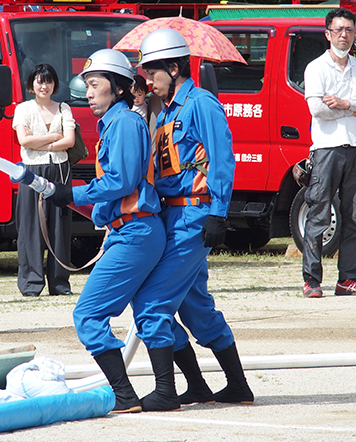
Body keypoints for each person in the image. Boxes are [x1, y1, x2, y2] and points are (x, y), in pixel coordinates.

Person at [47, 49, 172, 413]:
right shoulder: (116, 124)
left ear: (117, 89)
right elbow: (116, 192)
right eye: (86, 85)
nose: (87, 92)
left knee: (87, 315)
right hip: (131, 231)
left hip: (136, 233)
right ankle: (168, 391)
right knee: (151, 312)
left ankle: (124, 395)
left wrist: (73, 191)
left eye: (94, 84)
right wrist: (67, 198)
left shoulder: (125, 124)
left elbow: (122, 180)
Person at [135, 28, 254, 407]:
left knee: (152, 301)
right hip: (172, 216)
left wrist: (218, 214)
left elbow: (222, 159)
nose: (147, 79)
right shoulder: (165, 110)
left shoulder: (202, 103)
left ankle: (167, 390)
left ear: (174, 67)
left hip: (195, 215)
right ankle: (227, 387)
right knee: (196, 308)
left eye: (152, 71)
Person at [302, 8, 356, 298]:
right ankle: (312, 281)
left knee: (353, 216)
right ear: (327, 34)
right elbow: (317, 110)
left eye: (349, 29)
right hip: (326, 150)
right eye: (338, 29)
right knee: (319, 214)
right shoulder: (316, 68)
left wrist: (344, 103)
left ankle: (348, 279)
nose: (344, 34)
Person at [13, 64, 74, 296]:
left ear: (54, 85)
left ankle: (59, 283)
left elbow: (68, 141)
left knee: (59, 226)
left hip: (59, 169)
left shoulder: (64, 108)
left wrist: (41, 141)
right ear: (31, 85)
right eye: (39, 81)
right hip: (31, 171)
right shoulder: (23, 109)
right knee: (30, 226)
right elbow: (23, 141)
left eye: (48, 81)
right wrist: (52, 138)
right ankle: (31, 283)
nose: (44, 86)